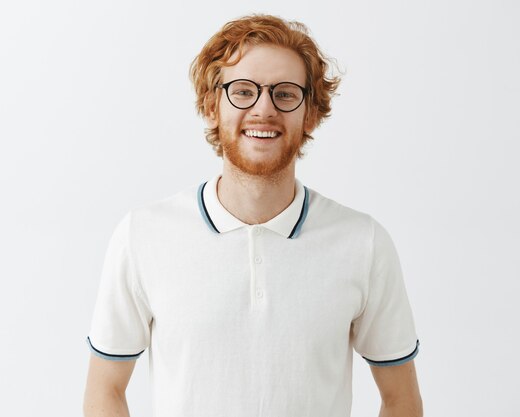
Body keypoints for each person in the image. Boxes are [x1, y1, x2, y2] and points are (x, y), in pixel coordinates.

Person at [83, 14, 422, 417]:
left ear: (310, 114)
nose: (264, 109)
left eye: (285, 93)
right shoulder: (142, 235)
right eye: (242, 91)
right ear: (212, 107)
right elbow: (105, 390)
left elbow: (401, 400)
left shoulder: (363, 243)